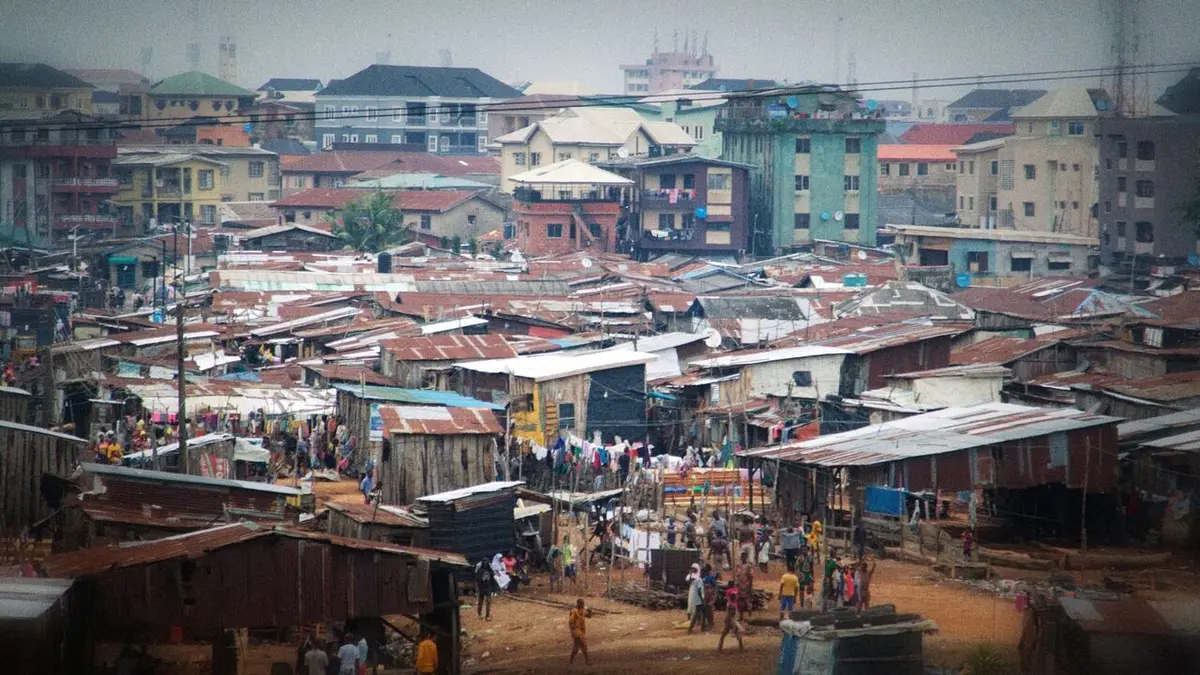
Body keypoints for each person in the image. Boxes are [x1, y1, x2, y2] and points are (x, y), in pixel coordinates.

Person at [718, 582, 745, 652]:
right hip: (731, 621)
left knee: (724, 634)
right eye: (735, 596)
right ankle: (741, 648)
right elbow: (731, 615)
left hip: (729, 620)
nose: (736, 597)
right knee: (738, 633)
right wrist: (733, 625)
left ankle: (720, 647)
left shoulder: (730, 603)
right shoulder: (732, 605)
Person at [568, 598, 591, 665]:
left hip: (582, 631)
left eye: (583, 603)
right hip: (577, 631)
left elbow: (589, 616)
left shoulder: (583, 610)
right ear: (577, 603)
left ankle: (571, 661)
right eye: (581, 603)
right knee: (584, 645)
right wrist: (573, 631)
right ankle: (587, 661)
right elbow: (571, 622)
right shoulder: (574, 611)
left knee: (577, 646)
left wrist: (590, 610)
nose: (582, 605)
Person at [736, 549, 754, 621]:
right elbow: (737, 575)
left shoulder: (749, 566)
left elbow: (751, 577)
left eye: (744, 556)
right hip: (739, 586)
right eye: (742, 556)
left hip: (746, 586)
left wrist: (750, 586)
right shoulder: (738, 565)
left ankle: (750, 616)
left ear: (746, 557)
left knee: (748, 601)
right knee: (740, 602)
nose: (743, 558)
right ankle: (741, 616)